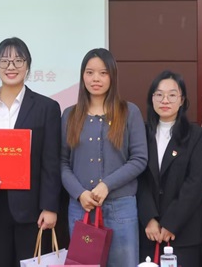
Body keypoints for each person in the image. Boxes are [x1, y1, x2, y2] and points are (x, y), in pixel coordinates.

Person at [0, 37, 62, 267]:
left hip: (31, 210)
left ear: (28, 65)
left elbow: (51, 161)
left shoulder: (47, 108)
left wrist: (50, 207)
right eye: (4, 61)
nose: (11, 67)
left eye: (18, 60)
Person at [61, 48, 147, 267]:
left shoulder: (129, 112)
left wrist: (106, 185)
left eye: (103, 73)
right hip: (81, 208)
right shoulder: (70, 115)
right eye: (89, 72)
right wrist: (79, 193)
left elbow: (139, 159)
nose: (95, 79)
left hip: (121, 208)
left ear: (112, 76)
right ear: (82, 76)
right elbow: (62, 163)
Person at [137, 70, 202, 267]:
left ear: (182, 100)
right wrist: (149, 218)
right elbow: (138, 178)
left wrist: (170, 223)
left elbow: (194, 184)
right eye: (159, 94)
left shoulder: (196, 135)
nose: (165, 100)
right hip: (149, 233)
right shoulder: (141, 132)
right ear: (152, 99)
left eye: (172, 95)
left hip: (184, 233)